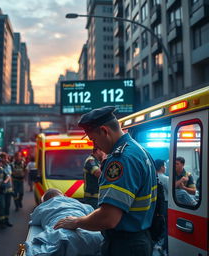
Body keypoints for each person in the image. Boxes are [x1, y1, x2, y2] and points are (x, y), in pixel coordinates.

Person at [54, 106, 157, 256]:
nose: (94, 146)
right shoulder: (139, 150)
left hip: (125, 245)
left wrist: (76, 222)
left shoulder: (121, 159)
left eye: (93, 139)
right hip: (139, 239)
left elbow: (108, 218)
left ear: (104, 131)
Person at [26, 188, 103, 256]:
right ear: (65, 196)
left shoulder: (43, 207)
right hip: (90, 234)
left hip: (62, 235)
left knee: (58, 243)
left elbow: (34, 220)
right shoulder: (79, 204)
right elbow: (91, 214)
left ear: (45, 201)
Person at [155, 159, 169, 255]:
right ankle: (163, 246)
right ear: (161, 167)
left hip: (156, 204)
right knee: (166, 225)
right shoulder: (165, 178)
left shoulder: (152, 177)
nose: (165, 167)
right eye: (165, 166)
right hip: (165, 203)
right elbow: (170, 191)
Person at [0, 152, 13, 228]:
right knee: (2, 206)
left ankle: (6, 220)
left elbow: (10, 177)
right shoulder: (0, 167)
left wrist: (12, 188)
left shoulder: (9, 166)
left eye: (7, 157)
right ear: (2, 159)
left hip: (9, 190)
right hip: (2, 190)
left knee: (7, 206)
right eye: (5, 158)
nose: (7, 159)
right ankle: (2, 222)